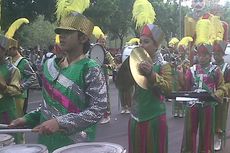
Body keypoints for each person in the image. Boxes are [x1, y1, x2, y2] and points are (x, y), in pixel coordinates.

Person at [10, 12, 108, 152]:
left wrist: (60, 123)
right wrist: (27, 118)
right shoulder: (50, 65)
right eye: (60, 32)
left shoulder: (90, 68)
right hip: (47, 143)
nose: (61, 35)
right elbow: (48, 105)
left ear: (83, 37)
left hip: (77, 145)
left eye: (67, 32)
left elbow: (98, 109)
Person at [128, 24, 172, 153]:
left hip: (154, 119)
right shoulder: (135, 64)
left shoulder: (164, 66)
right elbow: (124, 86)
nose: (141, 45)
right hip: (135, 117)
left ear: (156, 45)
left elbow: (168, 90)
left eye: (146, 42)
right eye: (140, 41)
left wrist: (152, 75)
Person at [179, 43, 226, 153]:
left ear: (210, 56)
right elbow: (186, 87)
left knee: (206, 133)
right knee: (189, 132)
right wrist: (180, 75)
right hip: (192, 105)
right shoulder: (191, 69)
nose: (201, 57)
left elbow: (222, 86)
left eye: (205, 55)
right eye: (199, 55)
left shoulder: (216, 70)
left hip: (208, 106)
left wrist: (217, 94)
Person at [212, 40, 230, 151]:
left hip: (222, 98)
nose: (216, 56)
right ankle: (210, 136)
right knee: (211, 117)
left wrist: (222, 90)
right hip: (210, 97)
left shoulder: (227, 67)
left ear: (223, 54)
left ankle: (218, 138)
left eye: (218, 54)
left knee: (220, 118)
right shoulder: (211, 66)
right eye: (214, 53)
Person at [0, 35, 21, 124]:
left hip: (6, 111)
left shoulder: (12, 70)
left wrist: (3, 86)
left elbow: (16, 91)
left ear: (4, 50)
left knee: (9, 136)